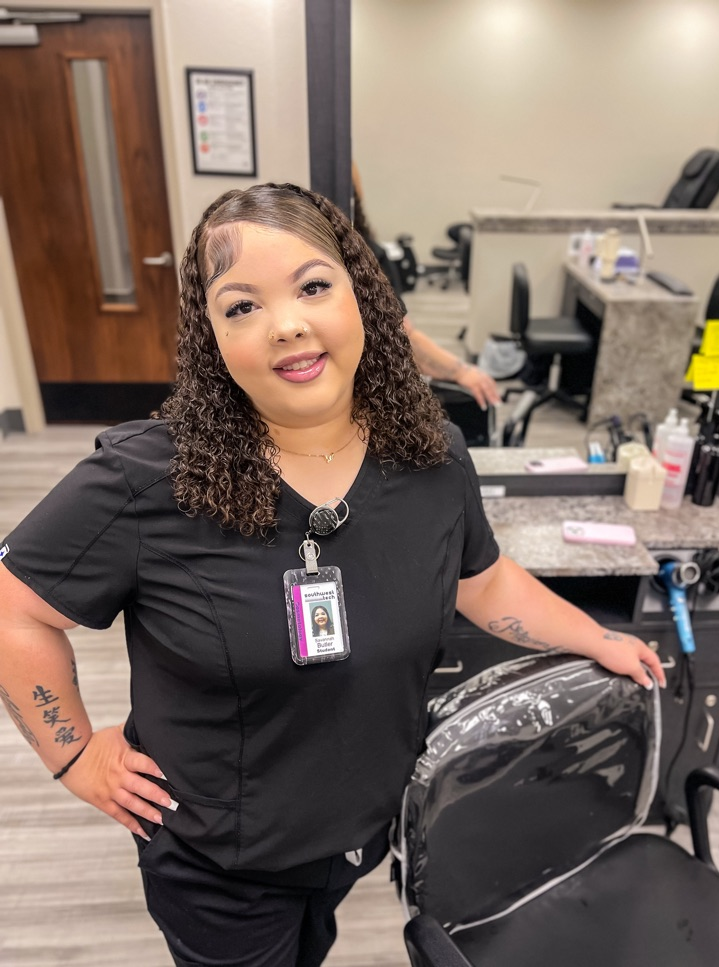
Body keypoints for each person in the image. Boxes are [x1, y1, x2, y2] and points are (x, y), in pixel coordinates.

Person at [0, 183, 665, 967]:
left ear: (364, 300)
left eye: (313, 286)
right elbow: (15, 609)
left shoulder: (430, 455)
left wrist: (597, 637)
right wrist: (74, 753)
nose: (287, 324)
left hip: (357, 838)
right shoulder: (151, 478)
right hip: (224, 871)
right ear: (210, 335)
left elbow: (480, 580)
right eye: (241, 306)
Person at [351, 161, 500, 410]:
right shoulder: (360, 257)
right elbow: (401, 337)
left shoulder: (364, 254)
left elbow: (399, 333)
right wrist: (461, 371)